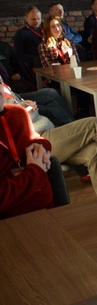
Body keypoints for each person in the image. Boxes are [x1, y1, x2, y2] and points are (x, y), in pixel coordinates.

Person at [0, 78, 56, 219]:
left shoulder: (17, 113)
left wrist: (42, 148)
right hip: (11, 221)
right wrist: (35, 172)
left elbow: (35, 138)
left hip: (46, 209)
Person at [13, 6, 44, 82]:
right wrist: (35, 58)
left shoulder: (45, 29)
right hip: (34, 62)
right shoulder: (21, 34)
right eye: (33, 19)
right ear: (26, 18)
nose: (36, 21)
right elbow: (18, 55)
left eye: (38, 19)